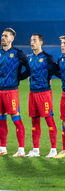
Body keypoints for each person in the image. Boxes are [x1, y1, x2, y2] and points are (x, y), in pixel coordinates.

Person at [22, 34, 59, 158]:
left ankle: (53, 149)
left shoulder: (48, 58)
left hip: (44, 94)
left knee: (49, 120)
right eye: (31, 40)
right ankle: (35, 150)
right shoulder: (29, 58)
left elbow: (56, 71)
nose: (32, 42)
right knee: (34, 121)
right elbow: (27, 73)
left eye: (34, 40)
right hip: (32, 93)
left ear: (41, 42)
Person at [0, 28, 29, 157]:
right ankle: (2, 148)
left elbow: (29, 67)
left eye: (6, 36)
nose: (3, 38)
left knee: (16, 120)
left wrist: (20, 77)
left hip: (11, 91)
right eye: (2, 36)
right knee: (1, 120)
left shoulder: (18, 53)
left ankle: (21, 149)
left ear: (12, 39)